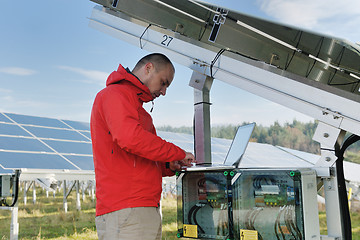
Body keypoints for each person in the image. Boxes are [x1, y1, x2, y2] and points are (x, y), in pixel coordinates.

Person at [90, 53, 195, 240]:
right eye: (164, 83)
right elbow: (130, 139)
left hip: (140, 208)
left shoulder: (137, 108)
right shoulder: (115, 95)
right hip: (127, 208)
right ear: (148, 68)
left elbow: (138, 153)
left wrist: (167, 165)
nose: (164, 92)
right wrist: (176, 152)